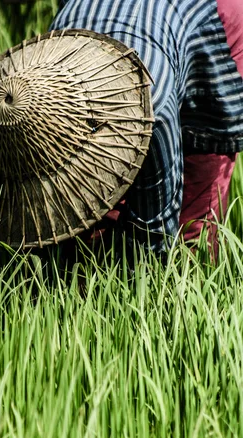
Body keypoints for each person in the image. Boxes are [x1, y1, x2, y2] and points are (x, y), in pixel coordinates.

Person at [50, 0, 243, 258]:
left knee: (193, 218)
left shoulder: (154, 102)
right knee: (92, 211)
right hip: (141, 34)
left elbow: (158, 220)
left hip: (214, 29)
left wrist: (147, 275)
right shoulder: (48, 60)